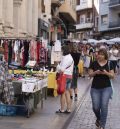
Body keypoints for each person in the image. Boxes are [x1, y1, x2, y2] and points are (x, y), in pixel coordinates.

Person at [89, 49, 114, 129]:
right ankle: (99, 118)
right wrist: (95, 72)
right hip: (95, 88)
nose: (100, 56)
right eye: (99, 54)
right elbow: (90, 74)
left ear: (105, 55)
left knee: (104, 106)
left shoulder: (110, 63)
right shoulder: (93, 63)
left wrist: (106, 73)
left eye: (102, 54)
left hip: (106, 87)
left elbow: (112, 76)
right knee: (95, 107)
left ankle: (102, 125)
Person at [56, 45, 74, 114]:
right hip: (69, 76)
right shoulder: (70, 57)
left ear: (64, 50)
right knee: (67, 92)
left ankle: (62, 109)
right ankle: (69, 109)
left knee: (62, 93)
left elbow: (62, 69)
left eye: (62, 50)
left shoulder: (66, 58)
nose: (61, 52)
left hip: (64, 76)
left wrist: (57, 65)